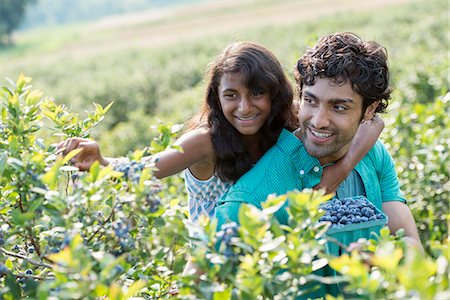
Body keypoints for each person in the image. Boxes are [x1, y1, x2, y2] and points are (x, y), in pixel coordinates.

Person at [58, 41, 383, 228]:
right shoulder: (205, 141)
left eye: (257, 93)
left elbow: (372, 125)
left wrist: (336, 174)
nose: (244, 107)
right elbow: (147, 170)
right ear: (216, 96)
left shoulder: (292, 118)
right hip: (220, 251)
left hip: (273, 234)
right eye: (231, 95)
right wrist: (101, 162)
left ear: (275, 94)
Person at [215, 33, 422, 249]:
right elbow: (204, 271)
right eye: (311, 101)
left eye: (339, 107)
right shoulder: (251, 199)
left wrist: (382, 257)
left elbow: (409, 240)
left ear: (369, 110)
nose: (319, 121)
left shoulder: (373, 154)